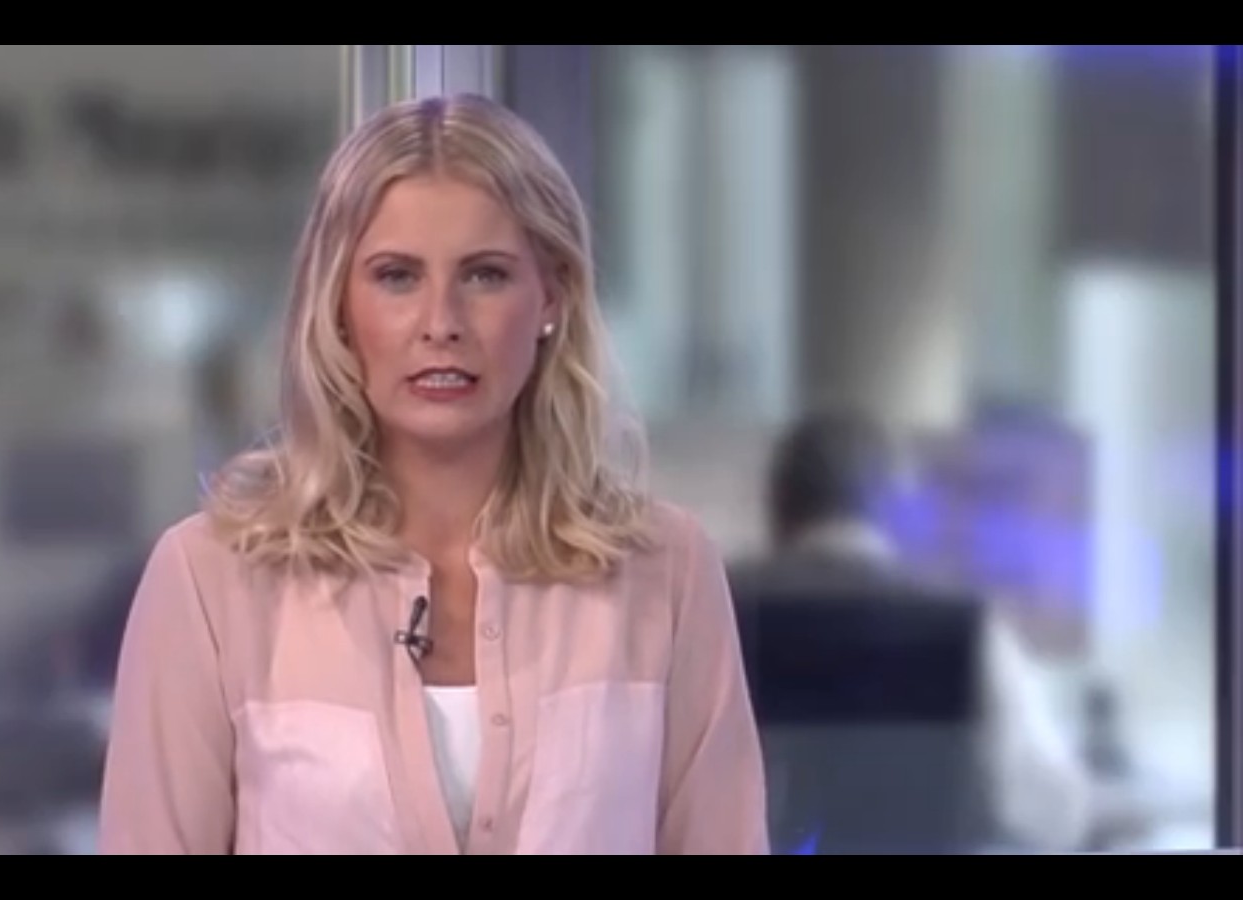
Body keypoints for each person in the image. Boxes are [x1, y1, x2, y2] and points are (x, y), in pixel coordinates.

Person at [97, 93, 768, 855]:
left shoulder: (666, 572)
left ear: (551, 296)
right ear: (338, 305)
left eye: (484, 275)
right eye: (397, 277)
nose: (441, 323)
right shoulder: (210, 581)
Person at [730, 408, 1093, 852]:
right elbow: (1049, 808)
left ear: (778, 506)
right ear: (894, 510)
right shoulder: (962, 625)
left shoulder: (714, 610)